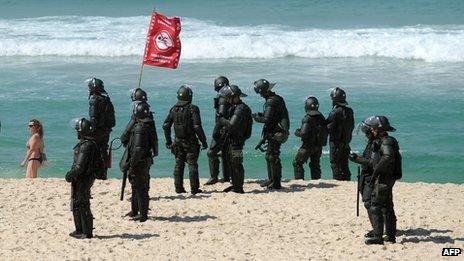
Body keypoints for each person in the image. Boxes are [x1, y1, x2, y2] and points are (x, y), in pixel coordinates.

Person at [349, 116, 401, 245]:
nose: (369, 132)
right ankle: (389, 236)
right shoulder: (380, 140)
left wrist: (375, 170)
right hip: (384, 177)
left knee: (376, 206)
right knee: (386, 206)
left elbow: (386, 158)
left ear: (377, 129)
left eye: (371, 129)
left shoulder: (386, 141)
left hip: (383, 178)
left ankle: (379, 237)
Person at [163, 85, 208, 194]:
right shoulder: (193, 108)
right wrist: (203, 141)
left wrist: (168, 141)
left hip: (177, 141)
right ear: (190, 96)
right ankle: (194, 188)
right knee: (192, 164)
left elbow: (166, 125)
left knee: (179, 164)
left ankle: (178, 188)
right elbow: (197, 126)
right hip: (190, 141)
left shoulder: (174, 109)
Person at [252, 79, 290, 190]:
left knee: (272, 156)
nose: (260, 95)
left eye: (259, 92)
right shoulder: (277, 98)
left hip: (277, 132)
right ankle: (271, 180)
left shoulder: (271, 101)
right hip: (278, 131)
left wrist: (256, 118)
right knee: (269, 156)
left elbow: (267, 119)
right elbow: (274, 115)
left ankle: (276, 182)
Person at [216, 85, 253, 193]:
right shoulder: (236, 107)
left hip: (237, 141)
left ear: (233, 97)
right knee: (232, 162)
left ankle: (238, 187)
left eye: (228, 98)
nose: (227, 100)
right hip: (232, 139)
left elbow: (231, 125)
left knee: (236, 164)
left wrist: (221, 119)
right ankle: (235, 185)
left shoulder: (241, 108)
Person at [65, 118, 98, 239]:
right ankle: (80, 229)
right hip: (84, 178)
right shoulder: (89, 143)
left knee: (81, 203)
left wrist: (70, 174)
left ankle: (85, 232)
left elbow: (79, 166)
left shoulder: (86, 146)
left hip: (82, 178)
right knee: (80, 202)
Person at [125, 102, 158, 222]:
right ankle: (135, 210)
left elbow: (138, 149)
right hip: (146, 160)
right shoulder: (149, 125)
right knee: (137, 186)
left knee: (140, 188)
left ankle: (142, 214)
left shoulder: (140, 127)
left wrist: (132, 164)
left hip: (140, 161)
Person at [348, 116, 381, 239]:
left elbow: (372, 162)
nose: (366, 135)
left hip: (372, 177)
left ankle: (377, 230)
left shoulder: (376, 144)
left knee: (370, 203)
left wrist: (356, 159)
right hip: (368, 176)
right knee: (372, 204)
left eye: (366, 132)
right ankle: (377, 229)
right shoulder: (373, 142)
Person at [205, 76, 231, 185]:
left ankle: (214, 177)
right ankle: (226, 177)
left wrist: (216, 131)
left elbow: (221, 116)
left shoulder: (223, 98)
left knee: (211, 152)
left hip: (223, 129)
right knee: (225, 153)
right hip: (229, 128)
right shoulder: (229, 95)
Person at [293, 97, 327, 180]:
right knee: (315, 164)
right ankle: (316, 180)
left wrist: (297, 132)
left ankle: (299, 181)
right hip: (318, 146)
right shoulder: (321, 117)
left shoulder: (307, 118)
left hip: (308, 146)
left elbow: (303, 133)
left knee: (297, 163)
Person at [88, 77, 115, 180]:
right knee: (103, 150)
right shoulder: (105, 99)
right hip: (106, 130)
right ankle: (103, 173)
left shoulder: (94, 99)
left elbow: (93, 117)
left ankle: (97, 173)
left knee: (95, 151)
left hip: (97, 131)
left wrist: (91, 130)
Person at [326, 87, 354, 181]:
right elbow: (351, 126)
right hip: (346, 142)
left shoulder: (335, 112)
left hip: (336, 142)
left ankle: (337, 181)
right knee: (344, 164)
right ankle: (347, 180)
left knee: (335, 163)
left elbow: (328, 127)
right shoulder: (349, 111)